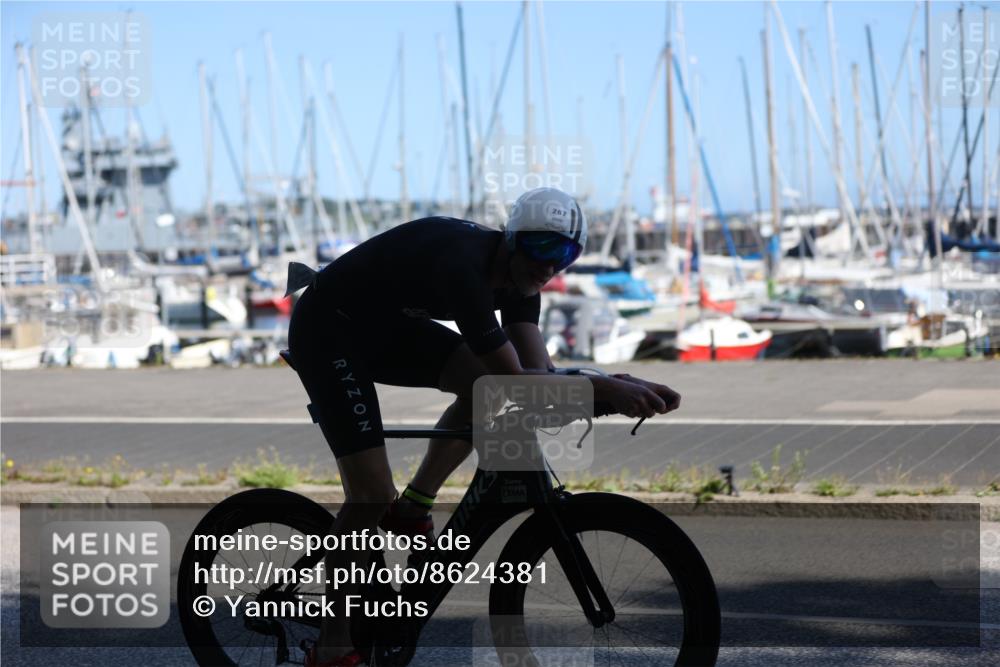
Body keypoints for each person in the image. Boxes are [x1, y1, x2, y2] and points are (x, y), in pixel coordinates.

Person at [285, 187, 681, 666]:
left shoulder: (524, 284)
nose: (551, 264)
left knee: (483, 390)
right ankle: (332, 646)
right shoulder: (465, 269)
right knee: (369, 495)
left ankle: (413, 506)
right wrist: (601, 389)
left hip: (384, 325)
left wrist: (610, 386)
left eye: (567, 253)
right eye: (542, 247)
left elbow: (540, 380)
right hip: (328, 329)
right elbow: (516, 383)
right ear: (513, 238)